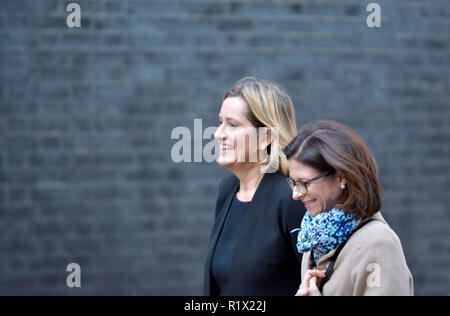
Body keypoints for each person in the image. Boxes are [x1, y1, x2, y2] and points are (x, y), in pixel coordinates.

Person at [283, 120, 414, 296]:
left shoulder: (379, 245)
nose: (296, 194)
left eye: (304, 183)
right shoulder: (314, 239)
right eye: (293, 183)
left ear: (341, 177)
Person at [204, 77, 306, 296]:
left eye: (232, 124)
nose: (218, 134)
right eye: (220, 122)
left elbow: (317, 282)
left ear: (265, 137)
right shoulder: (229, 189)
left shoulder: (292, 197)